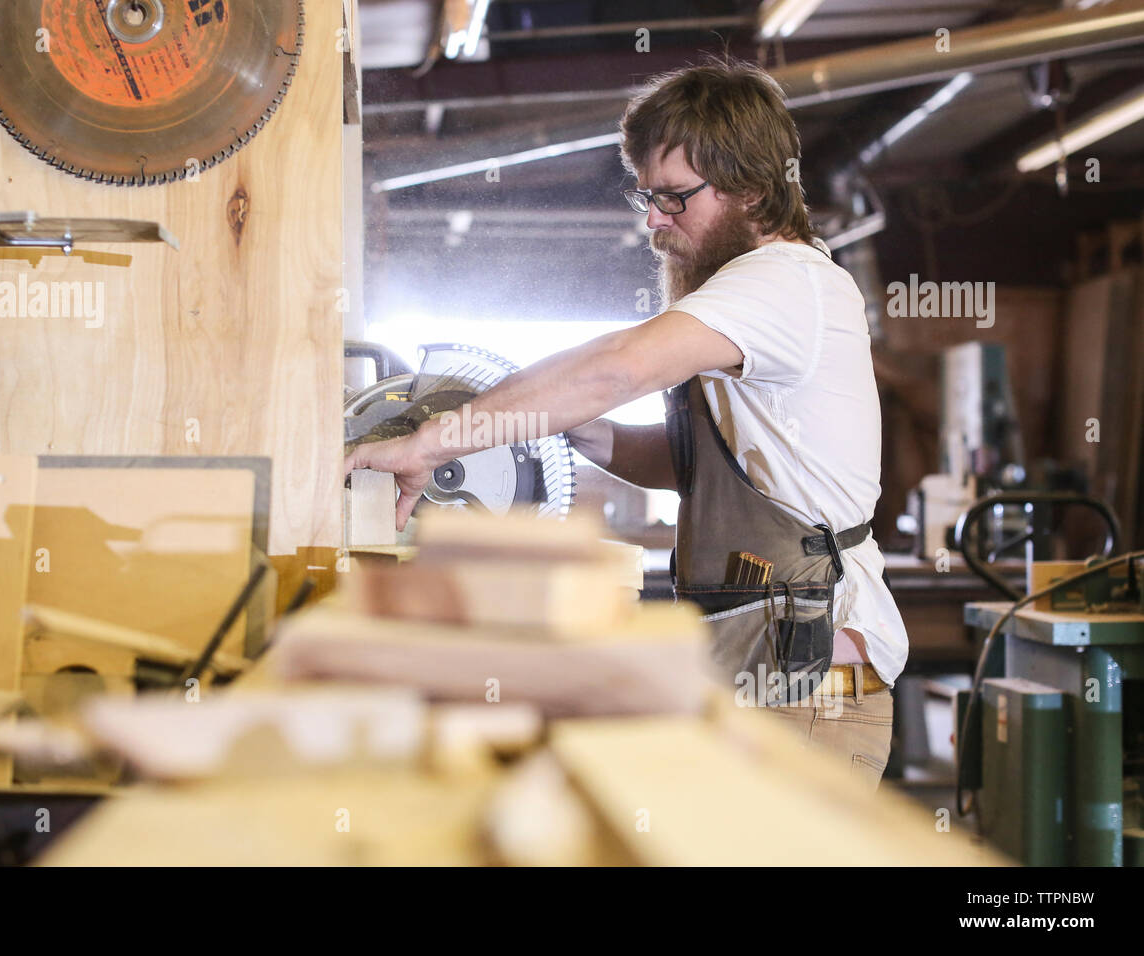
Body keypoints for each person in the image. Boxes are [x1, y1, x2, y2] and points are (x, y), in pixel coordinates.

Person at [344, 57, 907, 789]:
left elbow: (617, 368)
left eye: (674, 198)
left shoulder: (784, 282)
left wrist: (435, 440)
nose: (653, 221)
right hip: (757, 673)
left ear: (755, 187)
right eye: (646, 196)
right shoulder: (752, 298)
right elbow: (693, 470)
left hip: (805, 693)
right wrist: (556, 427)